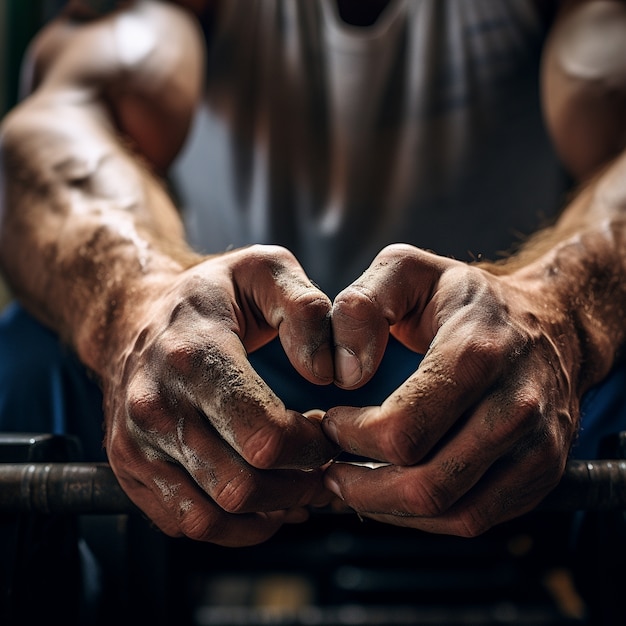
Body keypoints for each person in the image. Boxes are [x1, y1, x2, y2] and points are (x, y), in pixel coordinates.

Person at [0, 0, 625, 548]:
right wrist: (132, 304)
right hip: (227, 362)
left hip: (493, 363)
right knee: (30, 365)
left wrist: (560, 311)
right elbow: (56, 128)